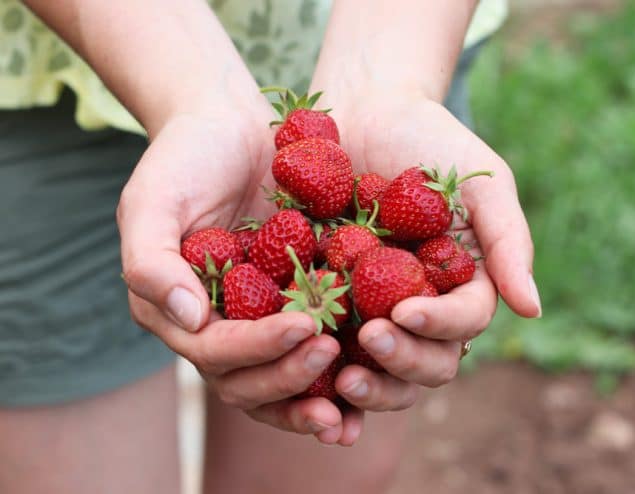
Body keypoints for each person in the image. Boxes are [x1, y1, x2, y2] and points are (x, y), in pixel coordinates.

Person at [0, 1, 540, 493]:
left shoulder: (379, 197)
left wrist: (388, 85)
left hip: (405, 34)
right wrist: (194, 95)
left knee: (322, 454)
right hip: (55, 69)